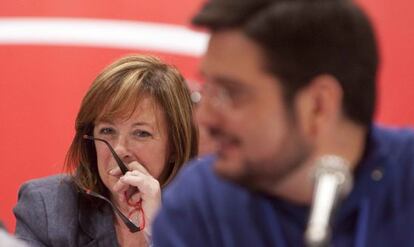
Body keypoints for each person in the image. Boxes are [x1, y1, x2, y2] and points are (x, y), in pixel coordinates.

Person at [152, 0, 414, 246]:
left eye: (230, 93)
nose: (204, 117)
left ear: (318, 106)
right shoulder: (200, 204)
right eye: (206, 90)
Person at [14, 55, 198, 246]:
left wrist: (160, 232)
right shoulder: (46, 207)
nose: (119, 149)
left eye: (141, 133)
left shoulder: (207, 214)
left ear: (175, 146)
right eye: (107, 131)